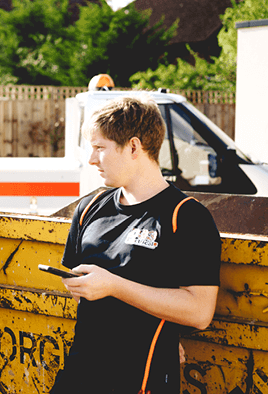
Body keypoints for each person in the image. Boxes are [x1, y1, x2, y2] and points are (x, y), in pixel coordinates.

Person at [50, 96, 221, 393]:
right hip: (79, 374)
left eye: (99, 148)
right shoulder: (90, 208)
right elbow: (84, 292)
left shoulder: (186, 217)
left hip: (141, 380)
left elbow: (199, 312)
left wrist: (114, 286)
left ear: (133, 147)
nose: (91, 160)